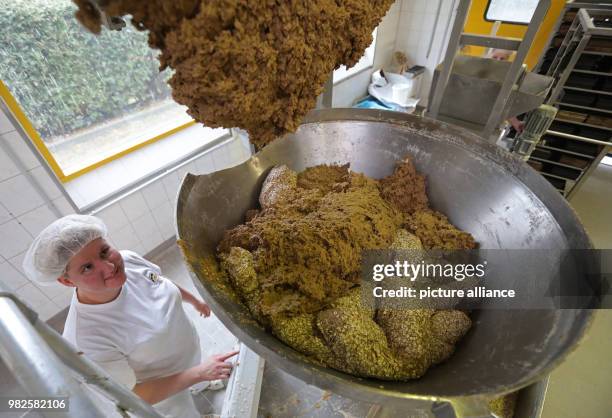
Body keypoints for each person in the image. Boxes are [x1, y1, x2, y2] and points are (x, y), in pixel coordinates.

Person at [23, 214, 238, 418]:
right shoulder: (85, 338)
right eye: (87, 267)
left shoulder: (129, 260)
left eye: (104, 251)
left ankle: (199, 386)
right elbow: (132, 394)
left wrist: (193, 301)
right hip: (164, 390)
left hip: (188, 352)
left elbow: (161, 282)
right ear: (67, 281)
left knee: (197, 376)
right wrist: (200, 372)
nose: (108, 267)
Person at [488, 48, 525, 134]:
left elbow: (504, 103)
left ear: (507, 61)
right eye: (495, 57)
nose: (498, 60)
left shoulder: (507, 79)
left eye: (502, 59)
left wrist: (516, 123)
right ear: (489, 56)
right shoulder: (478, 70)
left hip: (491, 123)